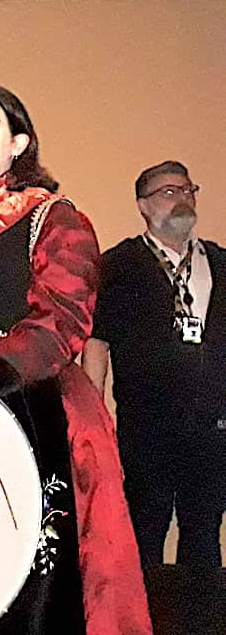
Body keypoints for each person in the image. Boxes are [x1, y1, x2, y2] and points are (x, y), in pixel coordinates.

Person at [0, 82, 150, 634]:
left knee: (37, 590)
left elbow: (65, 319)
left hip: (37, 410)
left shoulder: (55, 218)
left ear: (18, 143)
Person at [83, 161, 225, 574]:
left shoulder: (220, 263)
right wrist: (94, 421)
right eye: (168, 192)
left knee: (204, 534)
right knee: (144, 534)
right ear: (143, 206)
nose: (182, 199)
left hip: (212, 431)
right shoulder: (117, 266)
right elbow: (97, 344)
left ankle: (200, 610)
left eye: (187, 190)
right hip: (146, 430)